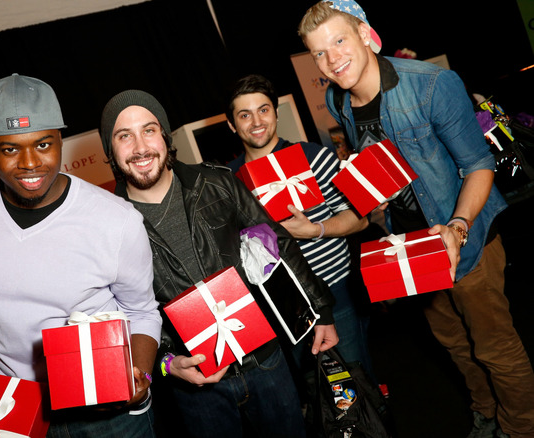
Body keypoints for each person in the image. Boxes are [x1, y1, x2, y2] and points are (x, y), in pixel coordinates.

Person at [298, 1, 534, 437]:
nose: (332, 59)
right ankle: (486, 415)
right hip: (410, 250)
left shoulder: (432, 84)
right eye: (319, 52)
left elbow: (479, 165)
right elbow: (376, 163)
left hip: (467, 238)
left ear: (366, 35)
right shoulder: (338, 100)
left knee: (495, 348)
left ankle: (519, 429)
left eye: (339, 40)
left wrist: (458, 227)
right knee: (455, 346)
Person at [0, 73, 163, 437]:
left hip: (103, 406)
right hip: (12, 406)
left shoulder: (117, 220)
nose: (29, 162)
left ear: (60, 141)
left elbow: (142, 311)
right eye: (10, 149)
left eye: (43, 144)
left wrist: (140, 375)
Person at [99, 89, 339, 437]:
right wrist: (166, 365)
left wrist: (320, 311)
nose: (140, 146)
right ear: (110, 149)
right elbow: (121, 315)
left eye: (149, 130)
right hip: (194, 384)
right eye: (124, 135)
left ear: (164, 136)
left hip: (266, 360)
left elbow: (279, 245)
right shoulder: (107, 224)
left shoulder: (218, 182)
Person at [225, 73, 374, 377]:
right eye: (244, 114)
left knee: (357, 383)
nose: (256, 121)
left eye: (263, 110)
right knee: (314, 395)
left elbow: (360, 219)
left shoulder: (313, 156)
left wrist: (314, 230)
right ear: (232, 124)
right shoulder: (228, 182)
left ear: (276, 114)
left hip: (335, 289)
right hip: (281, 302)